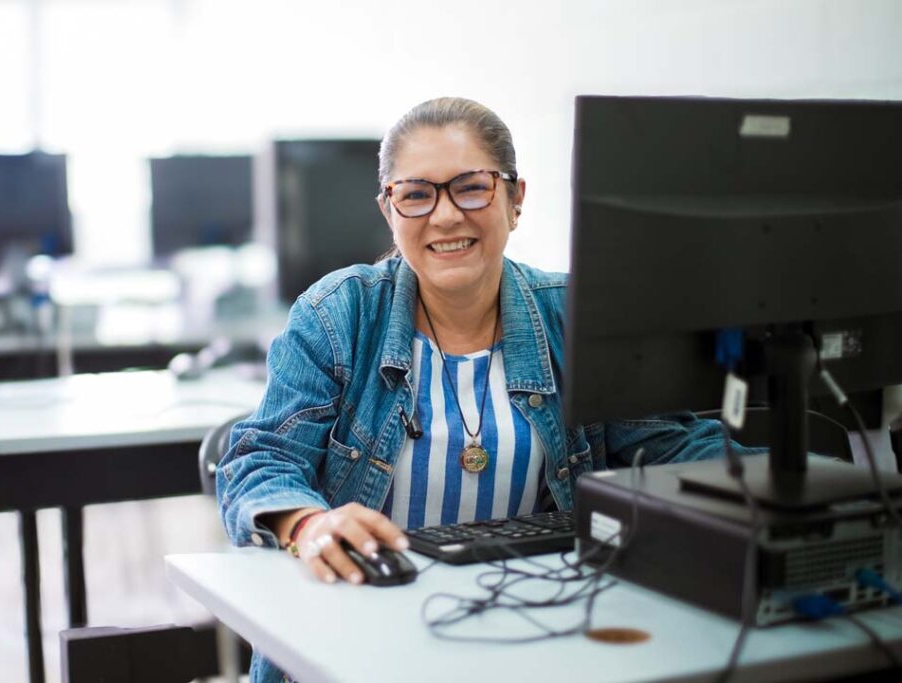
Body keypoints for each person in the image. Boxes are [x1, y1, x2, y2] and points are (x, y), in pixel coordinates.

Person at [216, 96, 750, 682]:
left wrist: (826, 487)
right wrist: (307, 525)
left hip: (527, 636)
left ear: (515, 199)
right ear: (389, 210)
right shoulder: (337, 314)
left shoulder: (576, 318)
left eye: (471, 187)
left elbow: (669, 449)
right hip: (351, 639)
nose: (445, 217)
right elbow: (261, 458)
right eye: (416, 194)